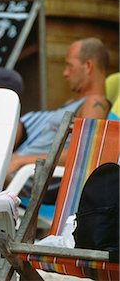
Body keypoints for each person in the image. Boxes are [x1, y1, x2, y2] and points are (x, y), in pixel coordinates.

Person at [6, 37, 111, 198]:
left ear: (88, 66)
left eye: (69, 66)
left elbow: (83, 154)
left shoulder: (95, 103)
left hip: (30, 178)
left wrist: (20, 160)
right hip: (19, 171)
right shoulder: (74, 103)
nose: (65, 73)